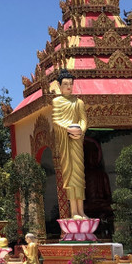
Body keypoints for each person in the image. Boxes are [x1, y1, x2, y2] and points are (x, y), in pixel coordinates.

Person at [51, 69, 88, 219]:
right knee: (70, 174)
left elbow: (83, 120)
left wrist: (80, 130)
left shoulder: (78, 102)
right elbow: (56, 120)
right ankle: (74, 211)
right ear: (59, 86)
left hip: (76, 139)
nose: (68, 87)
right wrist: (68, 128)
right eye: (65, 84)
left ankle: (81, 210)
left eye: (70, 84)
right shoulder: (56, 101)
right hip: (65, 139)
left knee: (79, 175)